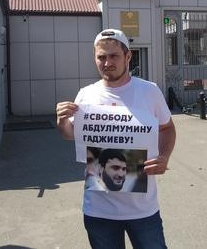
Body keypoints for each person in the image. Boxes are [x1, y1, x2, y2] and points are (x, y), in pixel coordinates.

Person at [56, 28, 176, 249]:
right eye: (101, 57)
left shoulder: (149, 91)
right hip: (99, 209)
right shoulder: (86, 94)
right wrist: (63, 123)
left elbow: (167, 128)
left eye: (114, 56)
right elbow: (71, 135)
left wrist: (164, 156)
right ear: (95, 58)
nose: (107, 63)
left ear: (128, 57)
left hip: (143, 209)